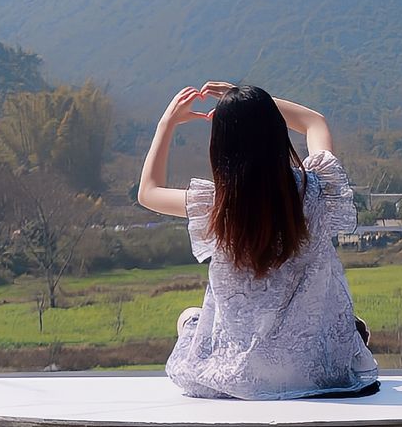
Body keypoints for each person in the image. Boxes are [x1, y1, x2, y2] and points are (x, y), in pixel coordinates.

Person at [137, 82, 379, 400]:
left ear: (220, 147)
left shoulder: (216, 206)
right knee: (345, 324)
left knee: (189, 318)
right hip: (314, 372)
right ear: (276, 131)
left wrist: (166, 123)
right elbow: (314, 122)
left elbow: (148, 192)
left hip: (239, 374)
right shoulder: (319, 189)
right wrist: (252, 100)